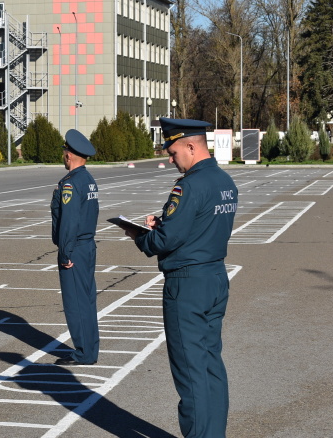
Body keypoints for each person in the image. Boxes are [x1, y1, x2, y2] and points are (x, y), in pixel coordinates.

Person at [124, 117, 238, 438]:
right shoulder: (225, 182)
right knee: (211, 365)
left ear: (191, 146)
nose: (170, 159)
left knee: (190, 373)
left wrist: (140, 234)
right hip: (215, 276)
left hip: (186, 284)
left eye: (173, 152)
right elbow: (197, 226)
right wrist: (164, 223)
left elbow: (165, 241)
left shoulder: (188, 185)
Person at [50, 129, 100, 366]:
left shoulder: (70, 184)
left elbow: (68, 222)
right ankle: (89, 348)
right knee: (87, 300)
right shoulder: (87, 179)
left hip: (75, 248)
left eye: (64, 152)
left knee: (76, 302)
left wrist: (65, 252)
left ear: (69, 155)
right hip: (87, 245)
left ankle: (84, 353)